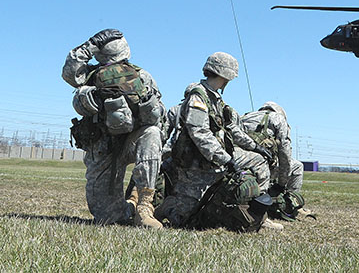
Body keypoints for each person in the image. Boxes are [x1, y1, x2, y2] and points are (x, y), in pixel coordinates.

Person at [154, 52, 280, 230]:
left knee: (258, 161)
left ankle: (257, 215)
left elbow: (231, 129)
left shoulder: (216, 100)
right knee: (184, 218)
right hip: (197, 162)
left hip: (215, 158)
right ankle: (167, 207)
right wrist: (226, 159)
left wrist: (255, 147)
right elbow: (200, 134)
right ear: (224, 74)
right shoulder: (198, 97)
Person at [63, 29, 165, 228]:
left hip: (131, 142)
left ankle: (145, 205)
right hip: (103, 146)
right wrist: (91, 46)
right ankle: (132, 204)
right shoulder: (90, 76)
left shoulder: (141, 77)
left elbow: (159, 114)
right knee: (107, 217)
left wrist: (145, 102)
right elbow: (69, 73)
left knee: (152, 133)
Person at [241, 102, 313, 220]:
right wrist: (282, 183)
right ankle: (292, 204)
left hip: (242, 165)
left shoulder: (245, 117)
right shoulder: (278, 119)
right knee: (297, 166)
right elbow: (285, 154)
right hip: (264, 166)